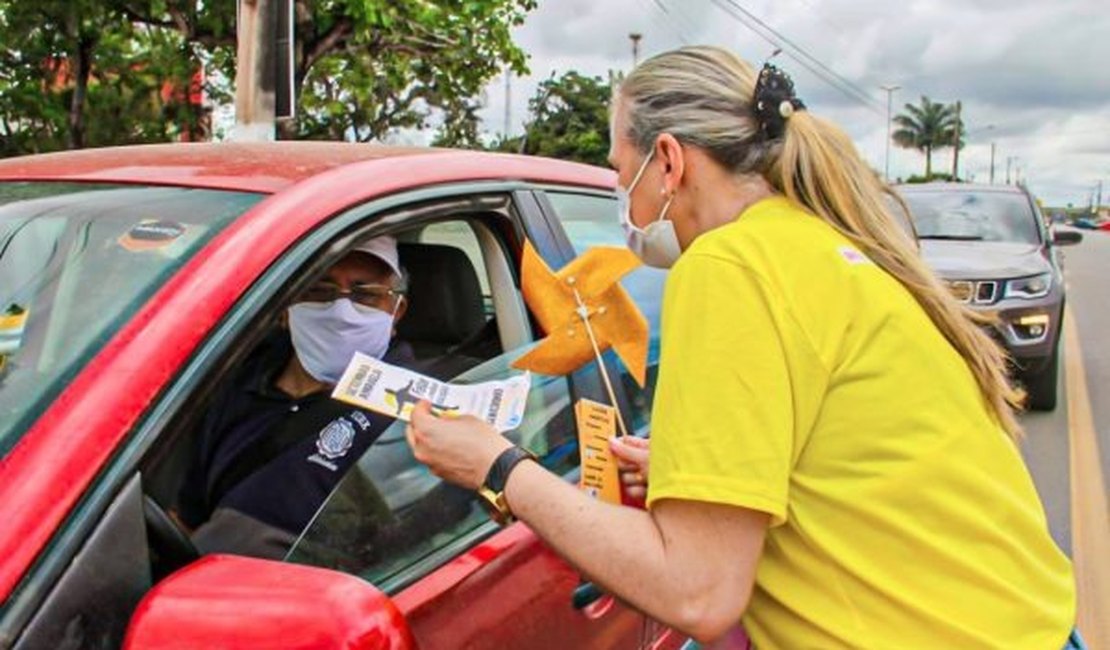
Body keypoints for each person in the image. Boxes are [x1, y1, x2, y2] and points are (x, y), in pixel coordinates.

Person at [404, 46, 1081, 649]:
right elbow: (849, 457)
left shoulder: (730, 266)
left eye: (619, 172)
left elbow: (697, 593)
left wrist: (497, 467)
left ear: (667, 161)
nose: (621, 199)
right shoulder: (815, 244)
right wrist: (692, 469)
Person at [174, 236, 412, 559]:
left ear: (396, 312)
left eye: (365, 295)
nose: (342, 312)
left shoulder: (410, 408)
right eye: (319, 290)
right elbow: (187, 517)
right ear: (286, 308)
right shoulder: (235, 379)